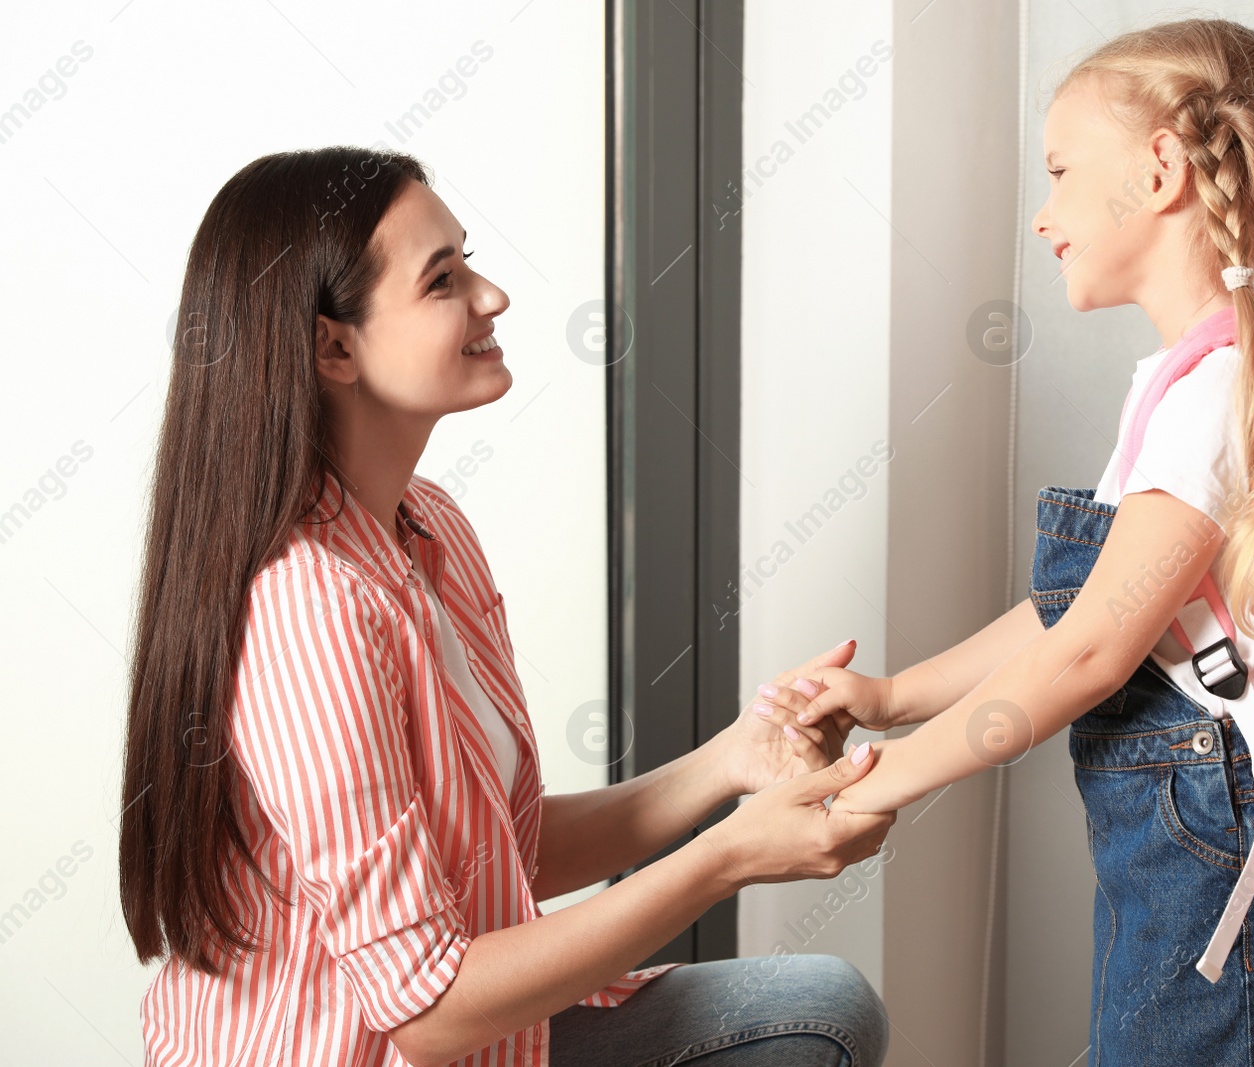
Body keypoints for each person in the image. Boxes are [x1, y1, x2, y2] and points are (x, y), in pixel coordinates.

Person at [117, 147, 893, 1067]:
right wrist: (727, 857)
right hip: (362, 1050)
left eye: (468, 261)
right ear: (334, 346)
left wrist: (732, 762)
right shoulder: (309, 606)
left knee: (822, 1008)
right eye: (443, 280)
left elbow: (504, 851)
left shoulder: (428, 528)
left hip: (469, 1039)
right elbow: (427, 1012)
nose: (492, 297)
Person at [772, 18, 1254, 1066]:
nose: (1042, 214)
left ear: (1157, 171)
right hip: (1209, 821)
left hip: (1211, 834)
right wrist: (896, 692)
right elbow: (1086, 607)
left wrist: (872, 784)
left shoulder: (1217, 396)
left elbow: (1087, 653)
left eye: (1057, 172)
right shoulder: (1220, 373)